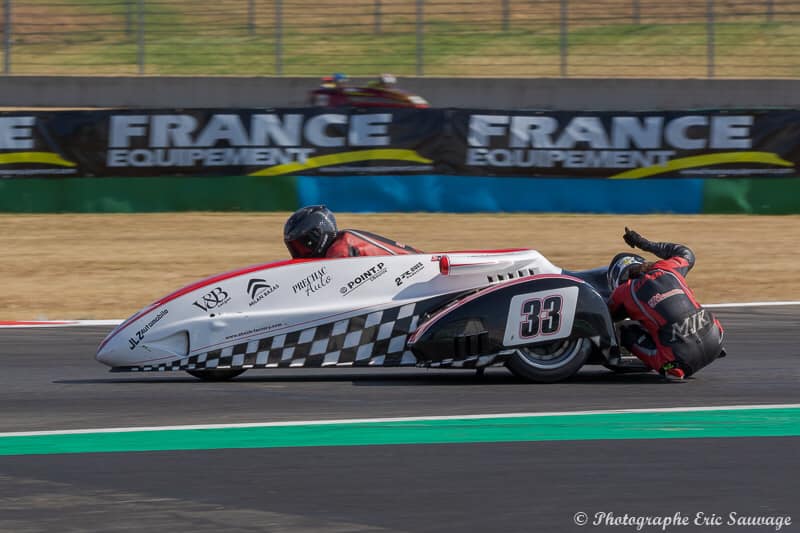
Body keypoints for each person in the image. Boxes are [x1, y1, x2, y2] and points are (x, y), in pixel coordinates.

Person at [607, 227, 725, 379]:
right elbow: (686, 252)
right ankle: (714, 347)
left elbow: (605, 316)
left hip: (681, 360)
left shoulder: (625, 291)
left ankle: (669, 367)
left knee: (622, 329)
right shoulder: (668, 268)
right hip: (716, 340)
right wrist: (644, 244)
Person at [283, 205, 422, 259]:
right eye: (295, 248)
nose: (300, 252)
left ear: (319, 236)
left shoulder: (339, 251)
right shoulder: (341, 243)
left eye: (303, 245)